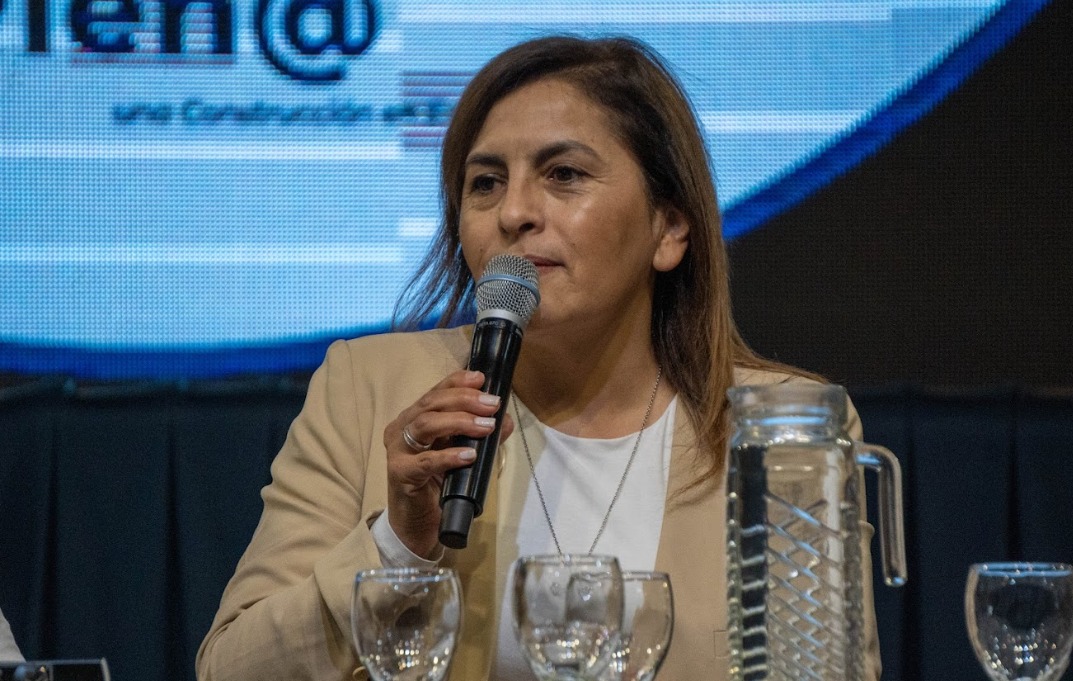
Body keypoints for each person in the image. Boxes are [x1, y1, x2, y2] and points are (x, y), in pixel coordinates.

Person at [196, 35, 881, 680]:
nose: (513, 212)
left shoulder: (781, 427)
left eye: (564, 174)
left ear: (669, 227)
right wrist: (398, 544)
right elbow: (231, 668)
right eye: (485, 182)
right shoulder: (369, 387)